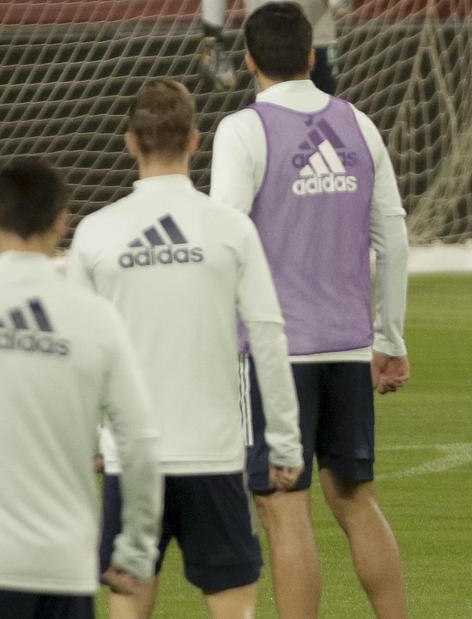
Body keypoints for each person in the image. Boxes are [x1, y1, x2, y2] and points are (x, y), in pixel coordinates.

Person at [67, 79, 305, 618]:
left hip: (132, 461)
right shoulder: (231, 229)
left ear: (130, 141)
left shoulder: (96, 233)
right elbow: (267, 334)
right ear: (195, 140)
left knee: (128, 611)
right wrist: (285, 443)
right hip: (215, 456)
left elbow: (80, 354)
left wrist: (88, 439)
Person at [210, 2, 411, 618]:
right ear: (312, 57)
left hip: (275, 354)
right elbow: (394, 238)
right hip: (349, 346)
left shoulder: (243, 131)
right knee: (356, 499)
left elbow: (225, 241)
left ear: (249, 61)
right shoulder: (358, 123)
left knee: (283, 506)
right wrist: (390, 339)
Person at [0, 158, 161, 618]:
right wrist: (134, 547)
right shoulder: (95, 316)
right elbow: (139, 442)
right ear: (61, 220)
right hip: (63, 565)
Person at [198, 0, 353, 94]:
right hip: (273, 40)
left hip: (319, 36)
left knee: (324, 114)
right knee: (278, 113)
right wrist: (213, 41)